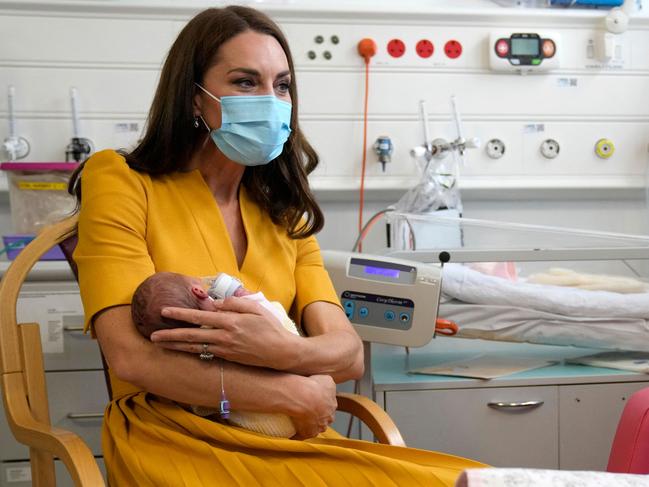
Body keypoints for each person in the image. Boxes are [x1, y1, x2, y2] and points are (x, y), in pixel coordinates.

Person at [71, 5, 487, 485]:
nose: (270, 100)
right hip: (175, 435)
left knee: (468, 478)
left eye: (282, 85)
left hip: (290, 434)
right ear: (193, 98)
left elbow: (348, 354)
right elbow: (132, 357)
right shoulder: (120, 180)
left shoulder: (282, 209)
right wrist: (289, 393)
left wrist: (276, 354)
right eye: (246, 83)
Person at [131, 270, 299, 437]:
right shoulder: (236, 313)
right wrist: (244, 295)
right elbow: (273, 321)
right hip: (293, 397)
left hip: (258, 427)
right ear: (198, 291)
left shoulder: (186, 351)